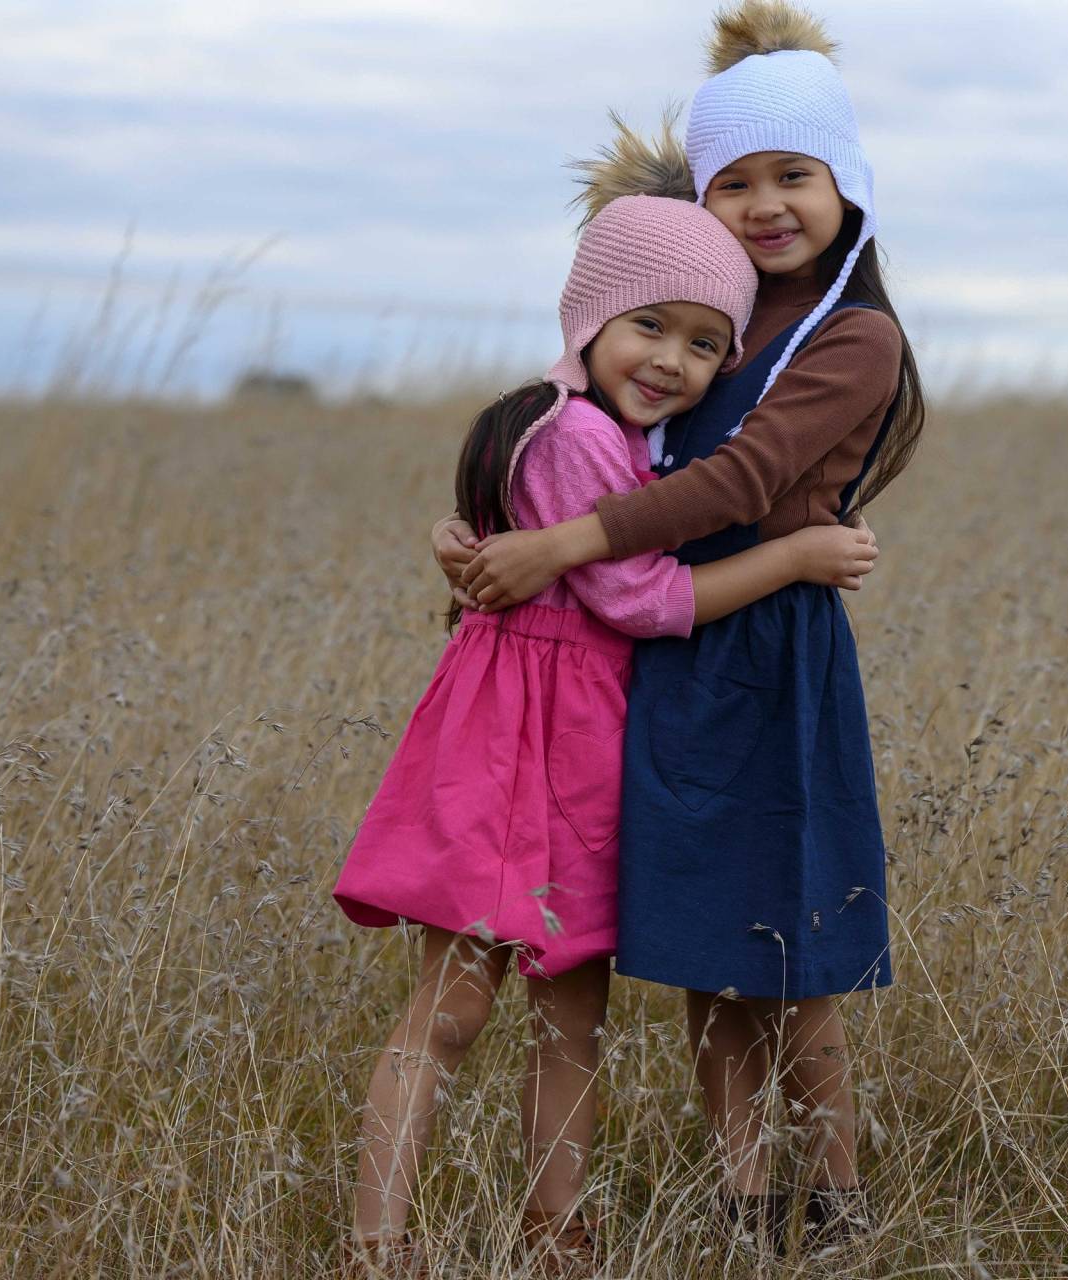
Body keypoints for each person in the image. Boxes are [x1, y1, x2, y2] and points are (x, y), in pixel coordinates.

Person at [435, 0, 925, 1258]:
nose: (767, 206)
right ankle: (748, 1195)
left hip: (772, 653)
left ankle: (837, 1197)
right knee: (711, 951)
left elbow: (739, 481)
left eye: (794, 178)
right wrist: (489, 531)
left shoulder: (855, 339)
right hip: (658, 647)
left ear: (846, 184)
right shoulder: (694, 320)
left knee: (794, 950)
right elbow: (575, 440)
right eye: (736, 183)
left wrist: (564, 548)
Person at [338, 188, 880, 1278]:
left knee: (570, 1011)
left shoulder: (587, 426)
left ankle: (559, 1231)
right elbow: (636, 600)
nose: (674, 361)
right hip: (521, 751)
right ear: (590, 313)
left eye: (705, 344)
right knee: (456, 1007)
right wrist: (793, 558)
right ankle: (378, 1245)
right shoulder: (578, 433)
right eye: (651, 325)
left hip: (578, 748)